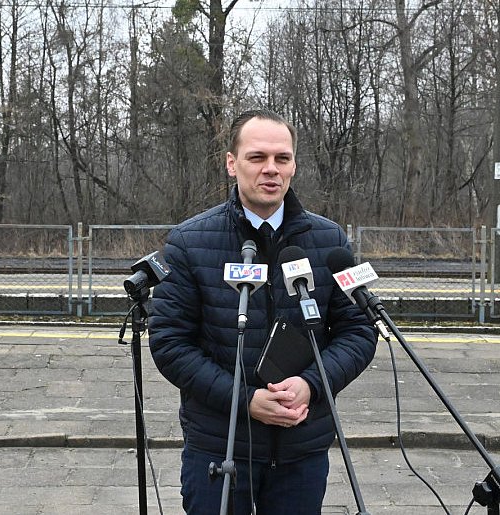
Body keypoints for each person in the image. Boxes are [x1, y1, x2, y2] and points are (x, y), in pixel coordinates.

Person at [148, 109, 378, 514]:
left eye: (282, 158)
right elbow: (170, 344)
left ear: (293, 166)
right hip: (219, 446)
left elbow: (358, 331)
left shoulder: (330, 240)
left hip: (302, 448)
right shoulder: (189, 241)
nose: (271, 170)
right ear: (231, 164)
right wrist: (246, 400)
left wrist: (311, 384)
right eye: (257, 158)